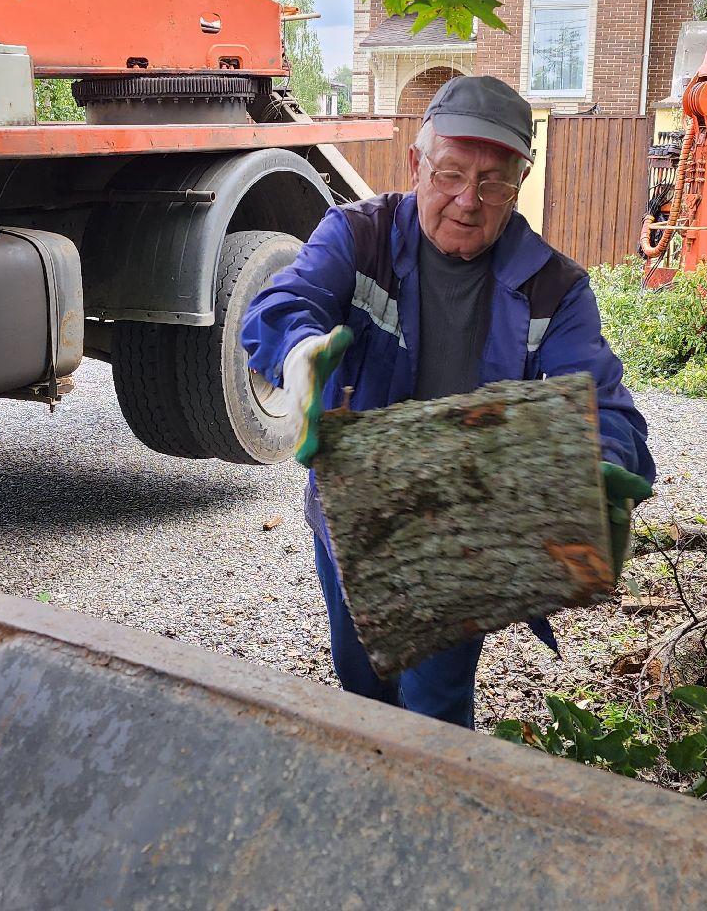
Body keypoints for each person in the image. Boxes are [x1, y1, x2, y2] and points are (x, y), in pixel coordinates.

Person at [240, 75, 656, 729]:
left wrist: (601, 464)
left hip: (467, 531)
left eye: (494, 182)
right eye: (451, 173)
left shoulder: (557, 288)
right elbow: (279, 306)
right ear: (415, 163)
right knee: (360, 680)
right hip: (354, 516)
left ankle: (434, 816)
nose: (469, 200)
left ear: (520, 181)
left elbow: (604, 400)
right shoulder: (357, 236)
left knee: (433, 705)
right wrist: (297, 358)